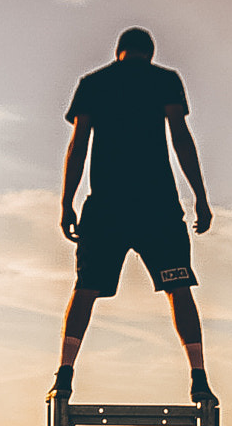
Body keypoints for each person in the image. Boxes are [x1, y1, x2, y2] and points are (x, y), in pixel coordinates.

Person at [52, 26, 214, 403]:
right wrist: (200, 197)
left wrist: (66, 202)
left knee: (85, 289)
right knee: (179, 287)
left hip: (107, 203)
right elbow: (180, 138)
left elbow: (77, 145)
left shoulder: (93, 83)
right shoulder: (165, 80)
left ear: (118, 51)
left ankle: (64, 373)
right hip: (156, 203)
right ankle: (199, 376)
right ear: (150, 53)